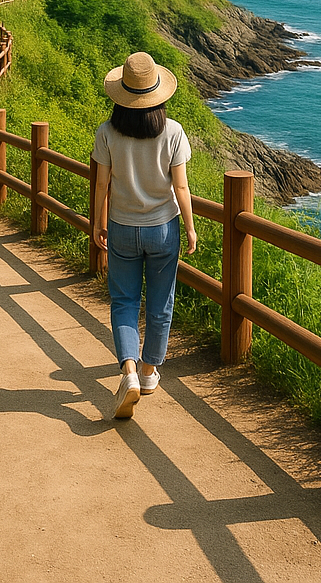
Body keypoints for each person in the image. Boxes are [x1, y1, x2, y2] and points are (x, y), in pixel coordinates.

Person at [92, 51, 198, 419]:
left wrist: (97, 222)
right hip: (163, 229)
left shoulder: (107, 132)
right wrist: (190, 226)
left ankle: (129, 372)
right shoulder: (173, 132)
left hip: (122, 227)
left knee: (123, 301)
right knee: (160, 302)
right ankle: (151, 370)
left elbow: (102, 183)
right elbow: (181, 188)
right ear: (159, 95)